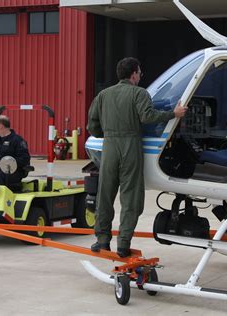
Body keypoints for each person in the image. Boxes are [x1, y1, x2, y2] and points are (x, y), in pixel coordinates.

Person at [87, 57, 187, 257]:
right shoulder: (139, 93)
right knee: (131, 198)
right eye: (140, 73)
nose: (140, 76)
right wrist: (173, 114)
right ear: (133, 74)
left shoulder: (103, 95)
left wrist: (109, 133)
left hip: (110, 147)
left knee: (105, 195)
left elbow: (93, 126)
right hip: (131, 146)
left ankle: (102, 240)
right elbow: (147, 117)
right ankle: (123, 244)